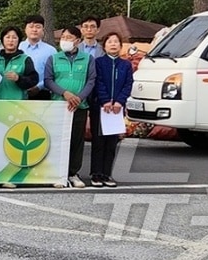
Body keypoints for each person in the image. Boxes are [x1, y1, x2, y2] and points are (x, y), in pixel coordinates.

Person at [44, 25, 96, 189]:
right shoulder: (54, 58)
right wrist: (65, 93)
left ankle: (73, 173)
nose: (65, 41)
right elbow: (48, 80)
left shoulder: (88, 59)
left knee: (76, 140)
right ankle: (57, 174)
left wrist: (79, 97)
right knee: (57, 140)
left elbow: (91, 81)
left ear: (78, 41)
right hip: (59, 106)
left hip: (79, 107)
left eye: (69, 38)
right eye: (63, 37)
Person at [90, 32, 134, 187]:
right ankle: (96, 174)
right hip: (101, 108)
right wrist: (105, 100)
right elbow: (98, 82)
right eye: (110, 42)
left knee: (112, 143)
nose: (113, 44)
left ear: (121, 46)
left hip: (117, 109)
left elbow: (128, 84)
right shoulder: (98, 62)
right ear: (104, 46)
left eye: (116, 42)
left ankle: (107, 174)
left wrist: (119, 102)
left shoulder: (126, 65)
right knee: (99, 142)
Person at [0, 27, 39, 101]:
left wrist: (19, 79)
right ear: (2, 40)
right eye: (7, 37)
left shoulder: (25, 59)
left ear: (19, 40)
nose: (10, 40)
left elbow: (33, 80)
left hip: (18, 103)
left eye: (14, 38)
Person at [21, 16, 55, 100]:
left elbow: (54, 73)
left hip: (42, 93)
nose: (34, 30)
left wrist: (39, 87)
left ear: (43, 30)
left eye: (38, 27)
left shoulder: (51, 50)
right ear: (25, 29)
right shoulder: (18, 47)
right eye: (31, 26)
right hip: (18, 92)